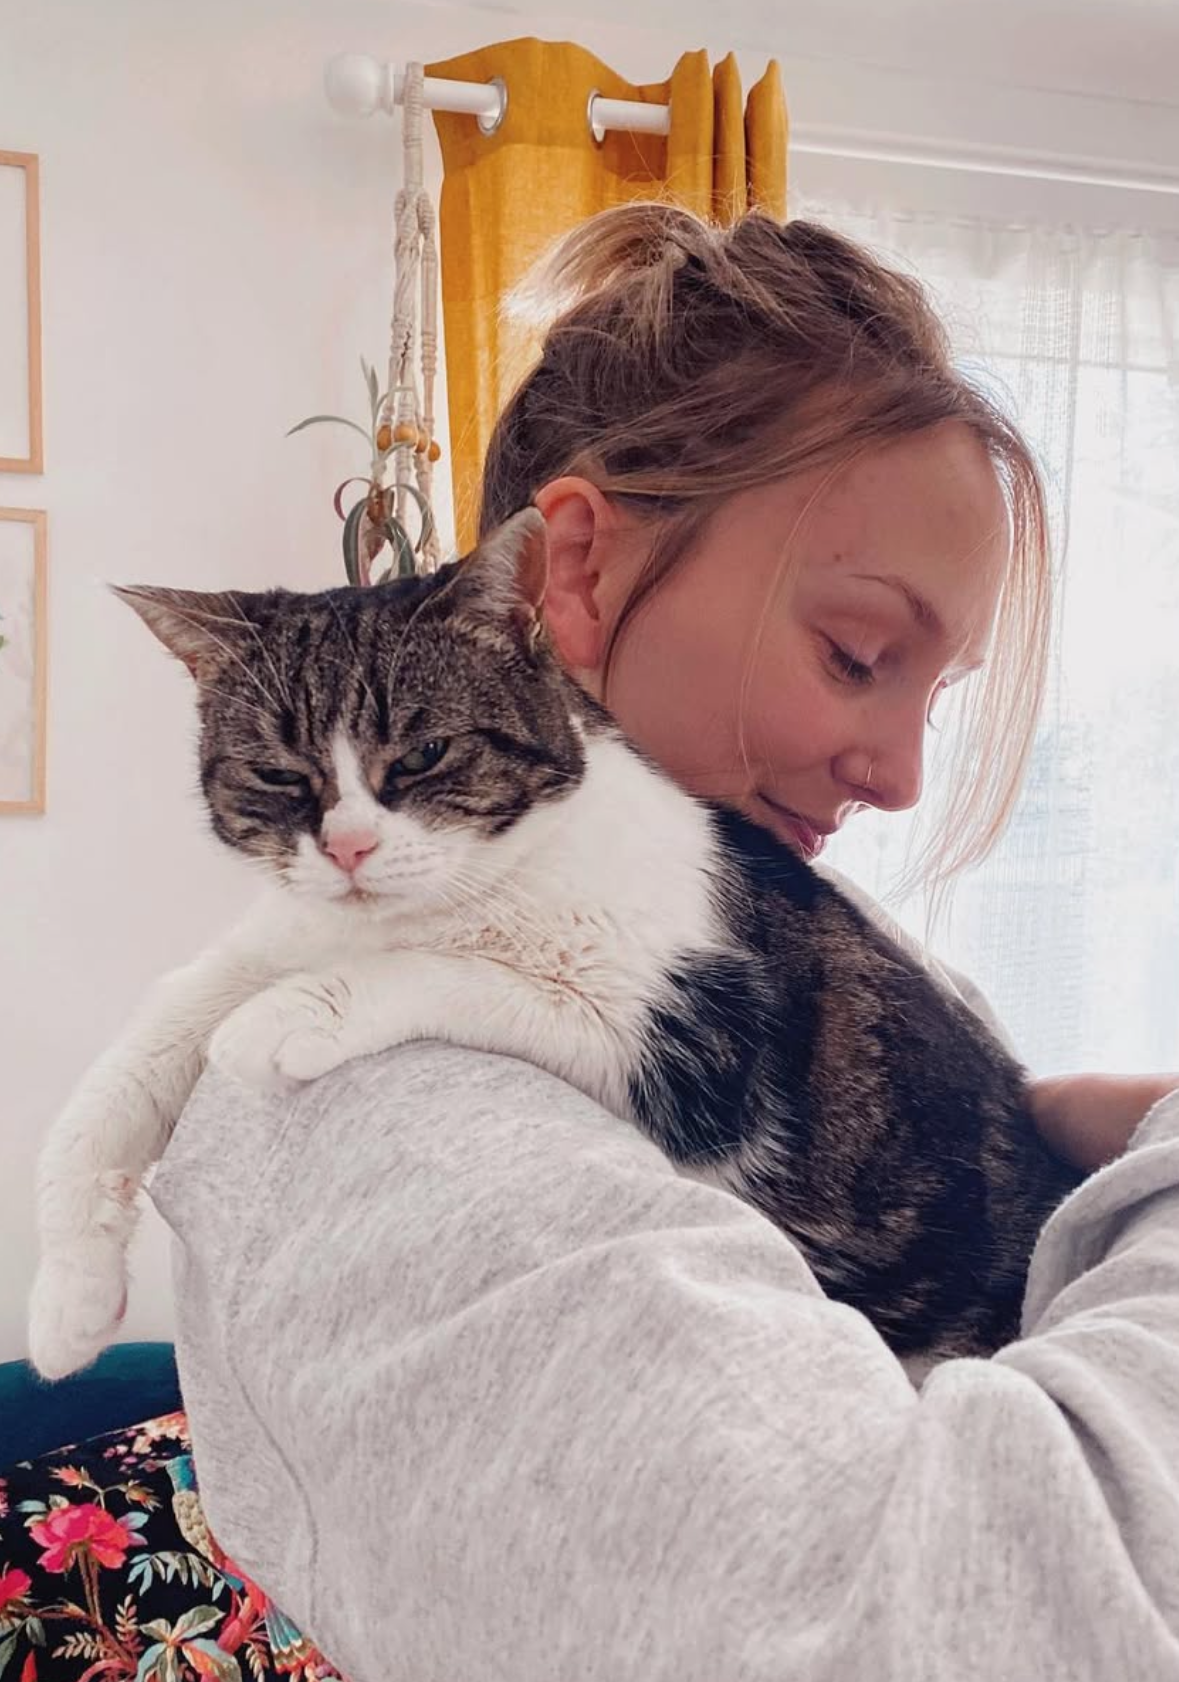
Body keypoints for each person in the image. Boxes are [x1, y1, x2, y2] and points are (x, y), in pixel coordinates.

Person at [19, 205, 1179, 1679]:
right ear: (566, 571)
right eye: (856, 656)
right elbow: (960, 1627)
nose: (899, 777)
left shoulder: (754, 902)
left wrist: (1087, 1151)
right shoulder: (374, 1104)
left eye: (927, 696)